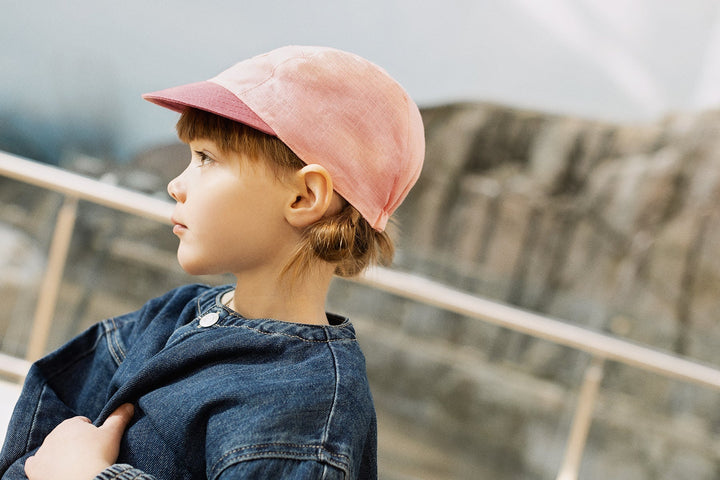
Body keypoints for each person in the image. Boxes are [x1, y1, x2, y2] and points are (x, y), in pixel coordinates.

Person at [0, 45, 425, 480]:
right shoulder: (172, 314)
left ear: (304, 197)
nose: (175, 184)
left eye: (206, 158)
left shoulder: (306, 420)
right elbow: (46, 403)